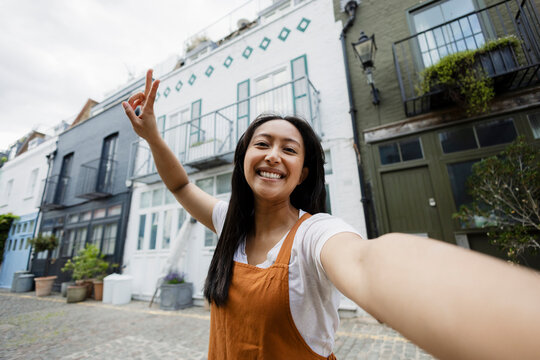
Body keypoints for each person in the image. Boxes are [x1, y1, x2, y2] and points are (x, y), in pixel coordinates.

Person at [123, 69, 540, 360]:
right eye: (262, 144)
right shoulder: (228, 221)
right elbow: (180, 186)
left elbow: (366, 263)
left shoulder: (315, 234)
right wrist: (153, 135)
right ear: (244, 159)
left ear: (302, 173)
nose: (273, 155)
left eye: (289, 149)